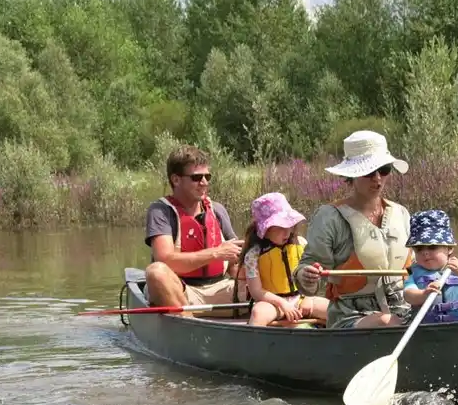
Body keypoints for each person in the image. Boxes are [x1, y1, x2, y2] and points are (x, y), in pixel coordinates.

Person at [293, 130, 413, 329]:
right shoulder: (329, 217)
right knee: (386, 321)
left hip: (403, 308)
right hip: (350, 314)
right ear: (352, 175)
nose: (377, 178)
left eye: (383, 170)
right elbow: (308, 278)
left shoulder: (401, 213)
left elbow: (417, 269)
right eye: (369, 172)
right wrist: (306, 275)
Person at [143, 145, 244, 315]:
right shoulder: (160, 211)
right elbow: (166, 260)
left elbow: (233, 267)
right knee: (156, 273)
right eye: (197, 177)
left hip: (219, 288)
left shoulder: (217, 210)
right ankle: (190, 326)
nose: (204, 182)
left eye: (207, 176)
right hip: (181, 291)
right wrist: (215, 253)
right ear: (176, 180)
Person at [237, 192, 330, 327]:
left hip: (301, 299)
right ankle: (255, 345)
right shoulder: (253, 255)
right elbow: (256, 292)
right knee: (258, 313)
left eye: (289, 225)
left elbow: (311, 280)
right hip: (273, 303)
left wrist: (308, 298)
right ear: (265, 229)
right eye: (280, 227)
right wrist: (283, 304)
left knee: (333, 310)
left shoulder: (301, 243)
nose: (287, 232)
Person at [402, 209, 458, 323]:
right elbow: (408, 295)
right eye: (419, 249)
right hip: (427, 331)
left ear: (449, 248)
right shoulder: (413, 271)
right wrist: (423, 294)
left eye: (432, 247)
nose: (425, 252)